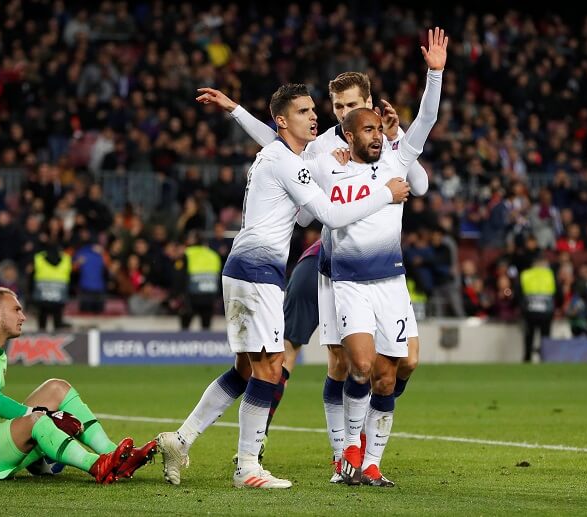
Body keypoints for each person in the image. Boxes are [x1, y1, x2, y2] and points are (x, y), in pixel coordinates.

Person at [156, 83, 410, 489]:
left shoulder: (280, 155)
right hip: (257, 273)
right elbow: (328, 214)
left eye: (315, 110)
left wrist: (235, 109)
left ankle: (181, 439)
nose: (315, 116)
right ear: (283, 121)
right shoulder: (286, 162)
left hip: (247, 270)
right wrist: (386, 193)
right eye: (305, 111)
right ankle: (247, 467)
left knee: (245, 370)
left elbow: (308, 212)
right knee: (270, 368)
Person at [318, 28, 446, 487]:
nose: (379, 136)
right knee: (362, 366)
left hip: (391, 283)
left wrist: (435, 74)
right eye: (368, 130)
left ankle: (370, 462)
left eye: (378, 128)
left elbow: (426, 123)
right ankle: (350, 449)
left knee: (391, 376)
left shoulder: (395, 158)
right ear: (348, 133)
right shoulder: (327, 165)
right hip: (349, 282)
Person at [0, 287, 156, 483]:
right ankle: (97, 465)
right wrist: (45, 416)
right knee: (37, 419)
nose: (23, 316)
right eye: (16, 310)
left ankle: (115, 454)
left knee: (56, 388)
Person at [177, 231, 222, 330]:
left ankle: (182, 342)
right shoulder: (214, 255)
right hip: (210, 295)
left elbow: (180, 276)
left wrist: (179, 294)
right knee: (206, 326)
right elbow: (219, 275)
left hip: (192, 296)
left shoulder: (188, 253)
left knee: (185, 325)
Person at [519, 256, 556, 361]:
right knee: (545, 336)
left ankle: (527, 358)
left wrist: (521, 307)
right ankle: (545, 358)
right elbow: (557, 292)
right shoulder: (549, 274)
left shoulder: (525, 274)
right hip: (546, 311)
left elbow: (518, 292)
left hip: (529, 310)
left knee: (529, 336)